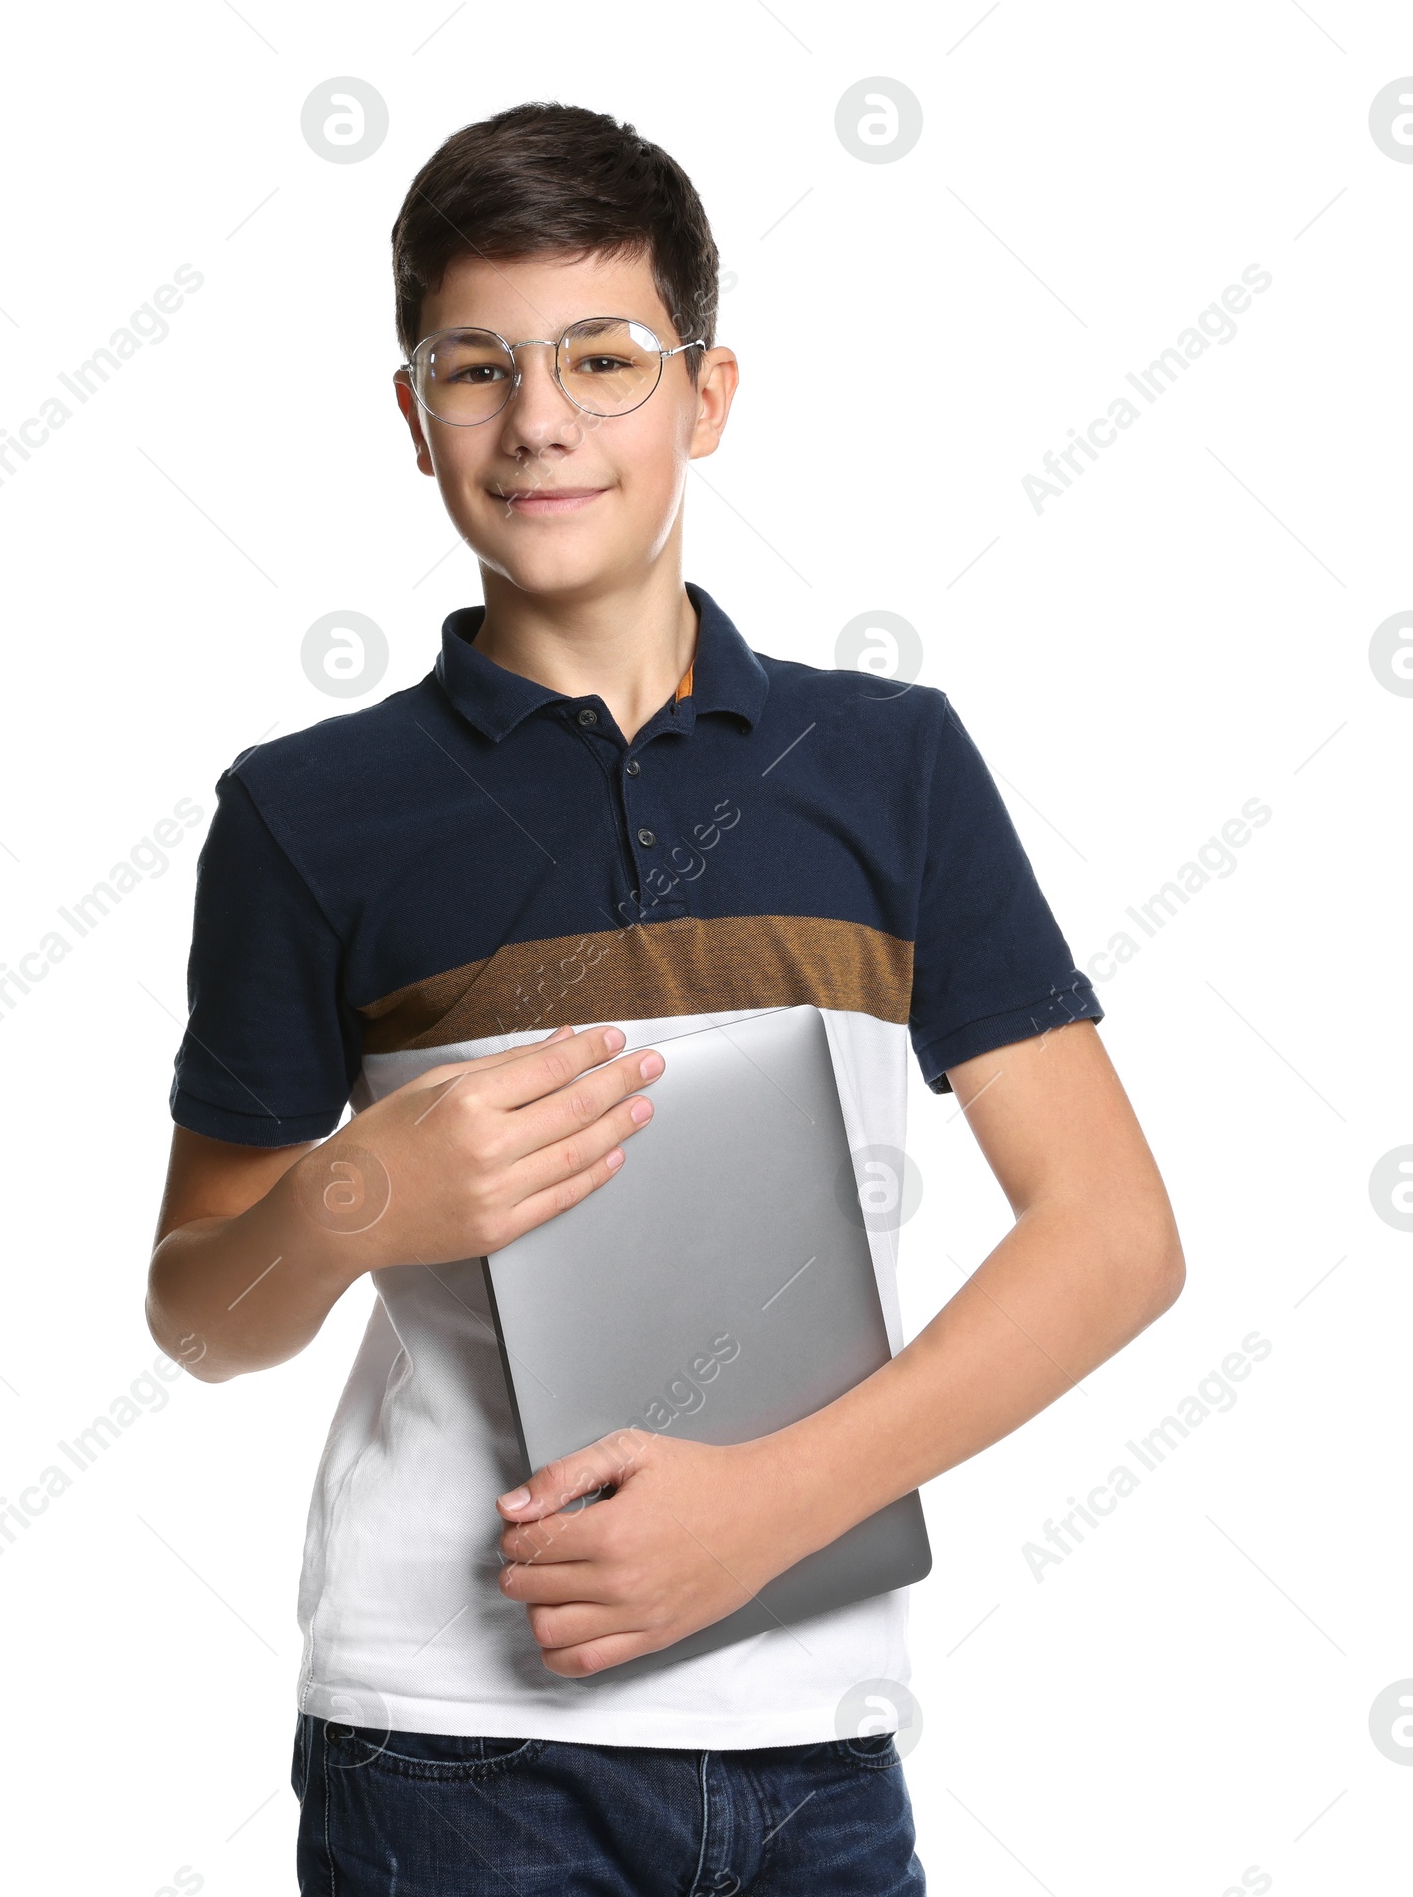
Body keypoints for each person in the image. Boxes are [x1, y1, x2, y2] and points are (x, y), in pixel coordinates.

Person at [145, 101, 1184, 1896]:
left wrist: (778, 1505)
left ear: (704, 399)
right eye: (477, 367)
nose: (540, 419)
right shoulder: (306, 815)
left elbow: (1112, 1237)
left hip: (817, 1739)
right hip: (443, 1744)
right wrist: (357, 1193)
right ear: (416, 417)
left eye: (603, 360)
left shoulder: (891, 764)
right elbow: (201, 1312)